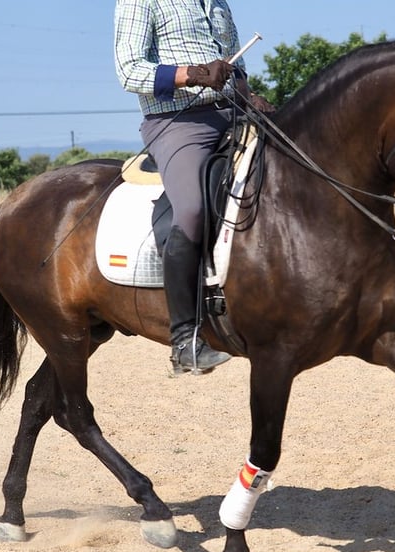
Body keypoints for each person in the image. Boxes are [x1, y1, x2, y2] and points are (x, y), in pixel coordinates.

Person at [114, 0, 265, 374]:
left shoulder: (217, 3)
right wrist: (192, 75)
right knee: (193, 210)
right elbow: (128, 70)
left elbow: (233, 63)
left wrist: (249, 95)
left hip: (233, 112)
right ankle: (185, 340)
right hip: (179, 122)